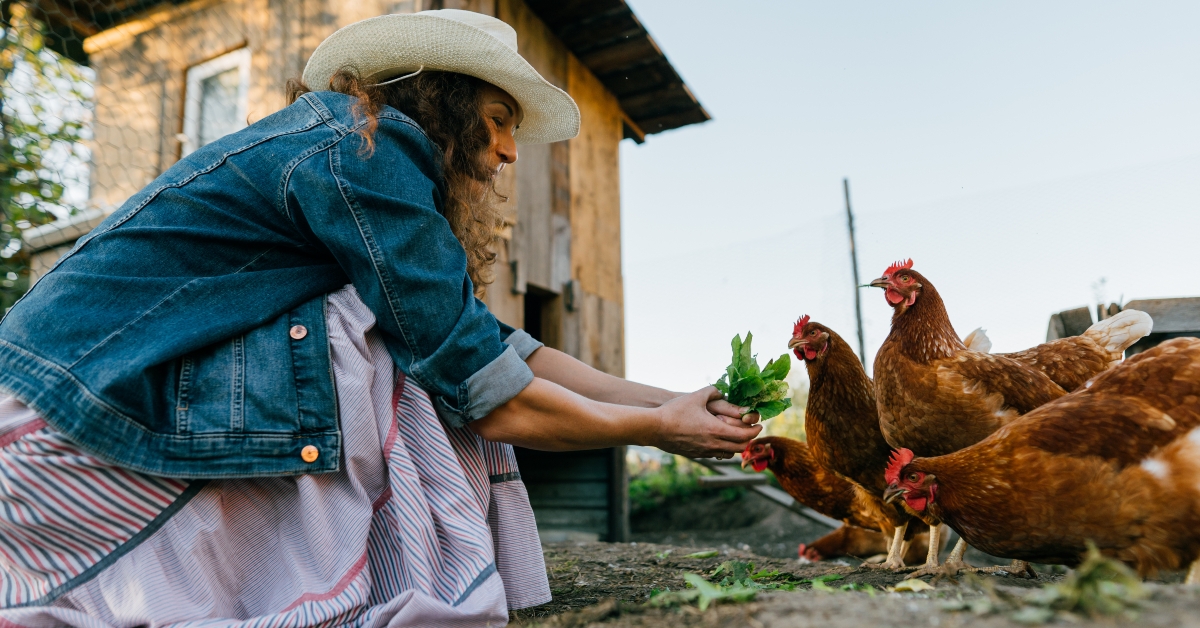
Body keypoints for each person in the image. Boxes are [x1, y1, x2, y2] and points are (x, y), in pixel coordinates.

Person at [0, 10, 761, 625]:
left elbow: (494, 345)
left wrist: (668, 401)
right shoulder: (367, 150)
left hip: (70, 390)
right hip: (57, 419)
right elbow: (481, 384)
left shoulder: (344, 145)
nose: (508, 151)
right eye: (498, 120)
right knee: (387, 352)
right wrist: (656, 430)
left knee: (405, 335)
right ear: (447, 101)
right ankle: (384, 569)